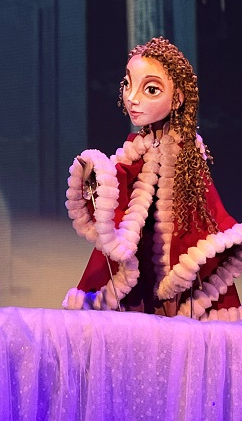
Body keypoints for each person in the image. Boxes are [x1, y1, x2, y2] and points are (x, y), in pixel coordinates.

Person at [63, 37, 242, 321]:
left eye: (151, 89)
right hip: (141, 256)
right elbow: (119, 185)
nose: (133, 98)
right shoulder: (136, 149)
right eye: (128, 84)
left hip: (178, 258)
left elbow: (206, 209)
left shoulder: (187, 152)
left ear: (178, 98)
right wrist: (95, 176)